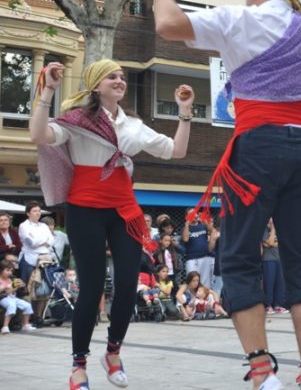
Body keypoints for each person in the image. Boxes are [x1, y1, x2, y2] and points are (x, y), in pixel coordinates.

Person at [154, 0, 301, 389]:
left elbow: (168, 24)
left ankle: (261, 371)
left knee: (238, 255)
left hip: (258, 144)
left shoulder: (243, 19)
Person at [30, 57, 194, 389]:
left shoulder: (133, 124)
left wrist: (185, 110)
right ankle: (78, 367)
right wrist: (47, 90)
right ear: (95, 84)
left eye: (121, 76)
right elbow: (39, 134)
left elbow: (176, 150)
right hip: (85, 208)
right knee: (91, 289)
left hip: (125, 210)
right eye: (111, 77)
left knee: (127, 287)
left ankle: (114, 352)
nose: (119, 80)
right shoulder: (77, 120)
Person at [17, 202, 53, 283]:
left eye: (39, 211)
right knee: (26, 285)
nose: (38, 213)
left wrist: (38, 240)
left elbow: (51, 241)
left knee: (43, 286)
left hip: (44, 259)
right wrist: (44, 240)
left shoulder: (44, 226)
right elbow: (32, 243)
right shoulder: (23, 225)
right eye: (35, 211)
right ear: (28, 213)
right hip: (29, 258)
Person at [1, 260, 36, 334]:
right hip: (3, 298)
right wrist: (11, 287)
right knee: (11, 305)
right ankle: (5, 326)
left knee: (27, 305)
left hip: (13, 298)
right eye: (7, 270)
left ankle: (25, 324)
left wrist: (22, 285)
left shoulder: (11, 279)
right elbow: (6, 292)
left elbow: (20, 289)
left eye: (11, 271)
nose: (10, 273)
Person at [181, 211, 214, 287]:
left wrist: (204, 219)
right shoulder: (185, 228)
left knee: (205, 282)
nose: (194, 215)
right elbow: (185, 239)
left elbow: (212, 231)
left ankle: (204, 297)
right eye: (191, 214)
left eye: (195, 213)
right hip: (192, 259)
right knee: (192, 280)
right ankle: (193, 298)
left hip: (205, 257)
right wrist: (187, 224)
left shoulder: (203, 225)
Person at [262, 220, 287, 315]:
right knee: (269, 282)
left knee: (280, 282)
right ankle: (268, 305)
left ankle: (278, 305)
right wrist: (273, 229)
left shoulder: (280, 229)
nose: (271, 222)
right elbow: (270, 242)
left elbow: (281, 243)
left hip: (279, 259)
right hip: (268, 259)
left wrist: (271, 243)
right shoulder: (264, 230)